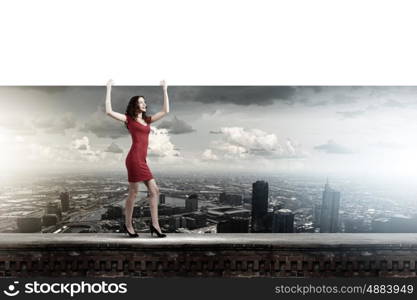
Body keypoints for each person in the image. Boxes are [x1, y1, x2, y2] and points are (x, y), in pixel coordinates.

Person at [105, 79, 170, 238]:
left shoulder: (147, 120)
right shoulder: (129, 119)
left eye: (144, 102)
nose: (144, 104)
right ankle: (128, 225)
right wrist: (108, 88)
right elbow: (108, 111)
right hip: (134, 159)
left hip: (142, 160)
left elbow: (165, 111)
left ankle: (155, 225)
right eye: (141, 102)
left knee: (155, 190)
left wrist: (165, 89)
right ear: (135, 105)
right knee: (133, 193)